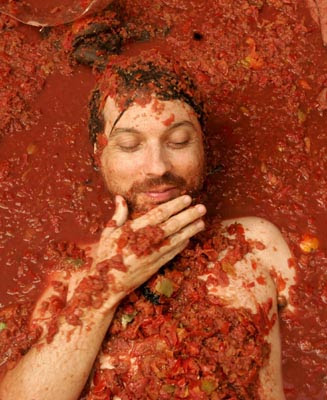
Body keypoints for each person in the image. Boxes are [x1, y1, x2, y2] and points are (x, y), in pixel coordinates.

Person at [0, 52, 296, 400]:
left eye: (179, 141)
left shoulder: (257, 243)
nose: (157, 167)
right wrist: (107, 286)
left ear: (202, 145)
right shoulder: (71, 274)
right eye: (129, 144)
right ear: (99, 154)